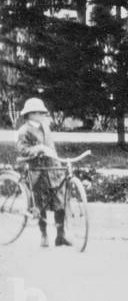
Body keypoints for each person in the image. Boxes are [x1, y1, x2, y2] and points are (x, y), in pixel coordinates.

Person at [15, 98, 70, 247]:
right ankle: (44, 235)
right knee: (41, 204)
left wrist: (57, 160)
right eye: (39, 112)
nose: (42, 115)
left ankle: (60, 236)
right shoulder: (24, 131)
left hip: (52, 169)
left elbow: (51, 146)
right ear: (30, 114)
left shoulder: (45, 127)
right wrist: (37, 149)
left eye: (42, 112)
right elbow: (22, 150)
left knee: (60, 200)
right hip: (37, 171)